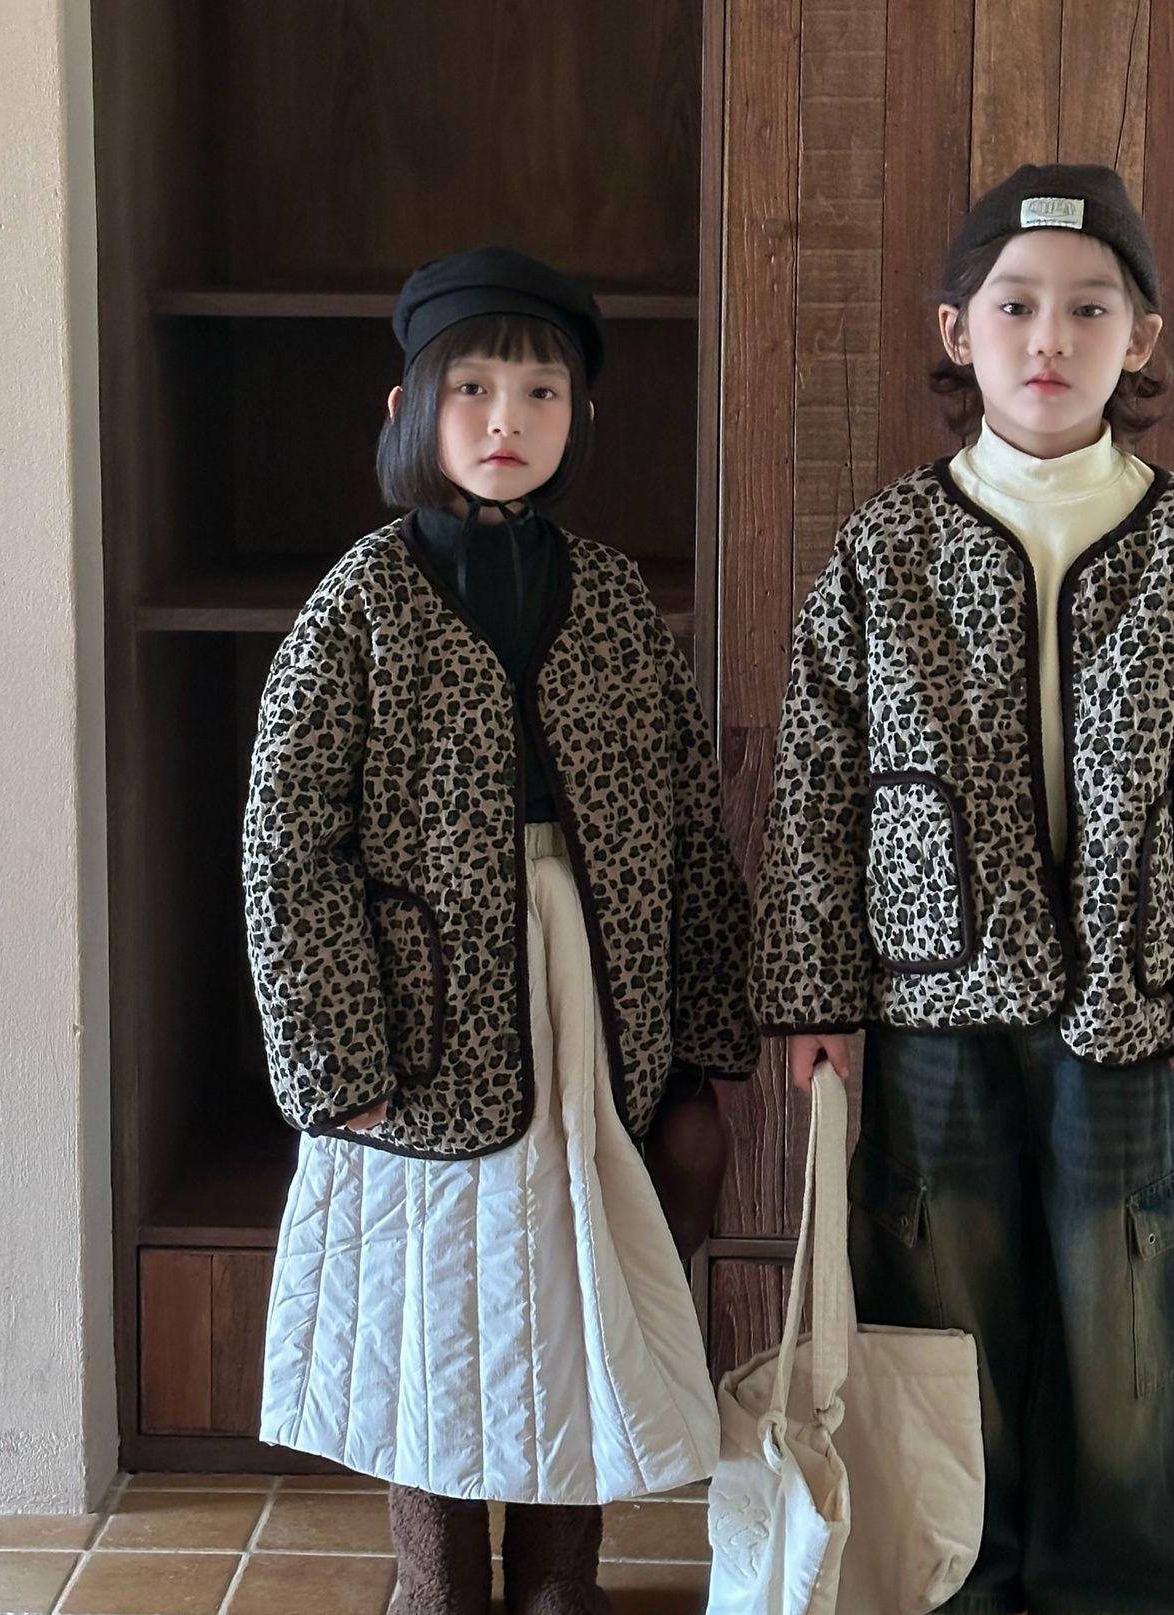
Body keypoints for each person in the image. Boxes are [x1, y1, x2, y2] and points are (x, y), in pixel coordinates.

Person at [750, 165, 1174, 1614]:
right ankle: (958, 1590)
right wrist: (814, 995)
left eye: (1088, 308)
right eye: (1014, 306)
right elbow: (816, 784)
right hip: (926, 1012)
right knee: (945, 1339)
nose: (1048, 337)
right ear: (959, 331)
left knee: (1129, 1347)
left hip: (1134, 1013)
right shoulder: (885, 547)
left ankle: (1127, 1593)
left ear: (1141, 337)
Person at [244, 245, 757, 1615]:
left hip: (597, 997)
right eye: (470, 387)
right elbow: (287, 846)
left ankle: (558, 1582)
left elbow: (685, 817)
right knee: (436, 1305)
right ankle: (435, 1584)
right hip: (422, 1021)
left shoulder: (613, 596)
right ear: (407, 408)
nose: (505, 420)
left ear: (581, 417)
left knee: (578, 1289)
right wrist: (337, 1059)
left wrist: (705, 1036)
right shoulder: (358, 604)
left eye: (541, 392)